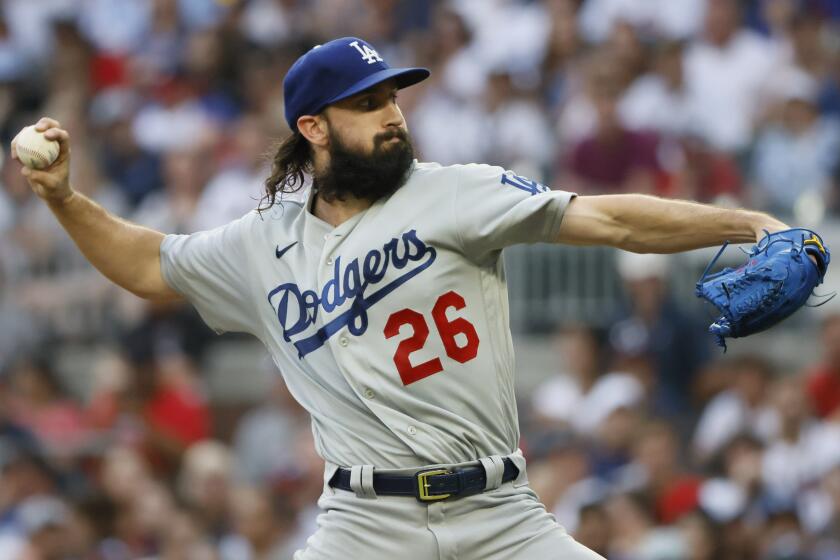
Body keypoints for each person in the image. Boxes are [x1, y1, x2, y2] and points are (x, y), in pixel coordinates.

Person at [13, 36, 791, 560]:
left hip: (500, 514)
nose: (393, 115)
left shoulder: (458, 193)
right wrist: (65, 199)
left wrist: (748, 222)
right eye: (368, 104)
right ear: (313, 127)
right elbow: (151, 265)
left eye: (393, 97)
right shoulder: (260, 244)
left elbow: (613, 218)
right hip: (364, 524)